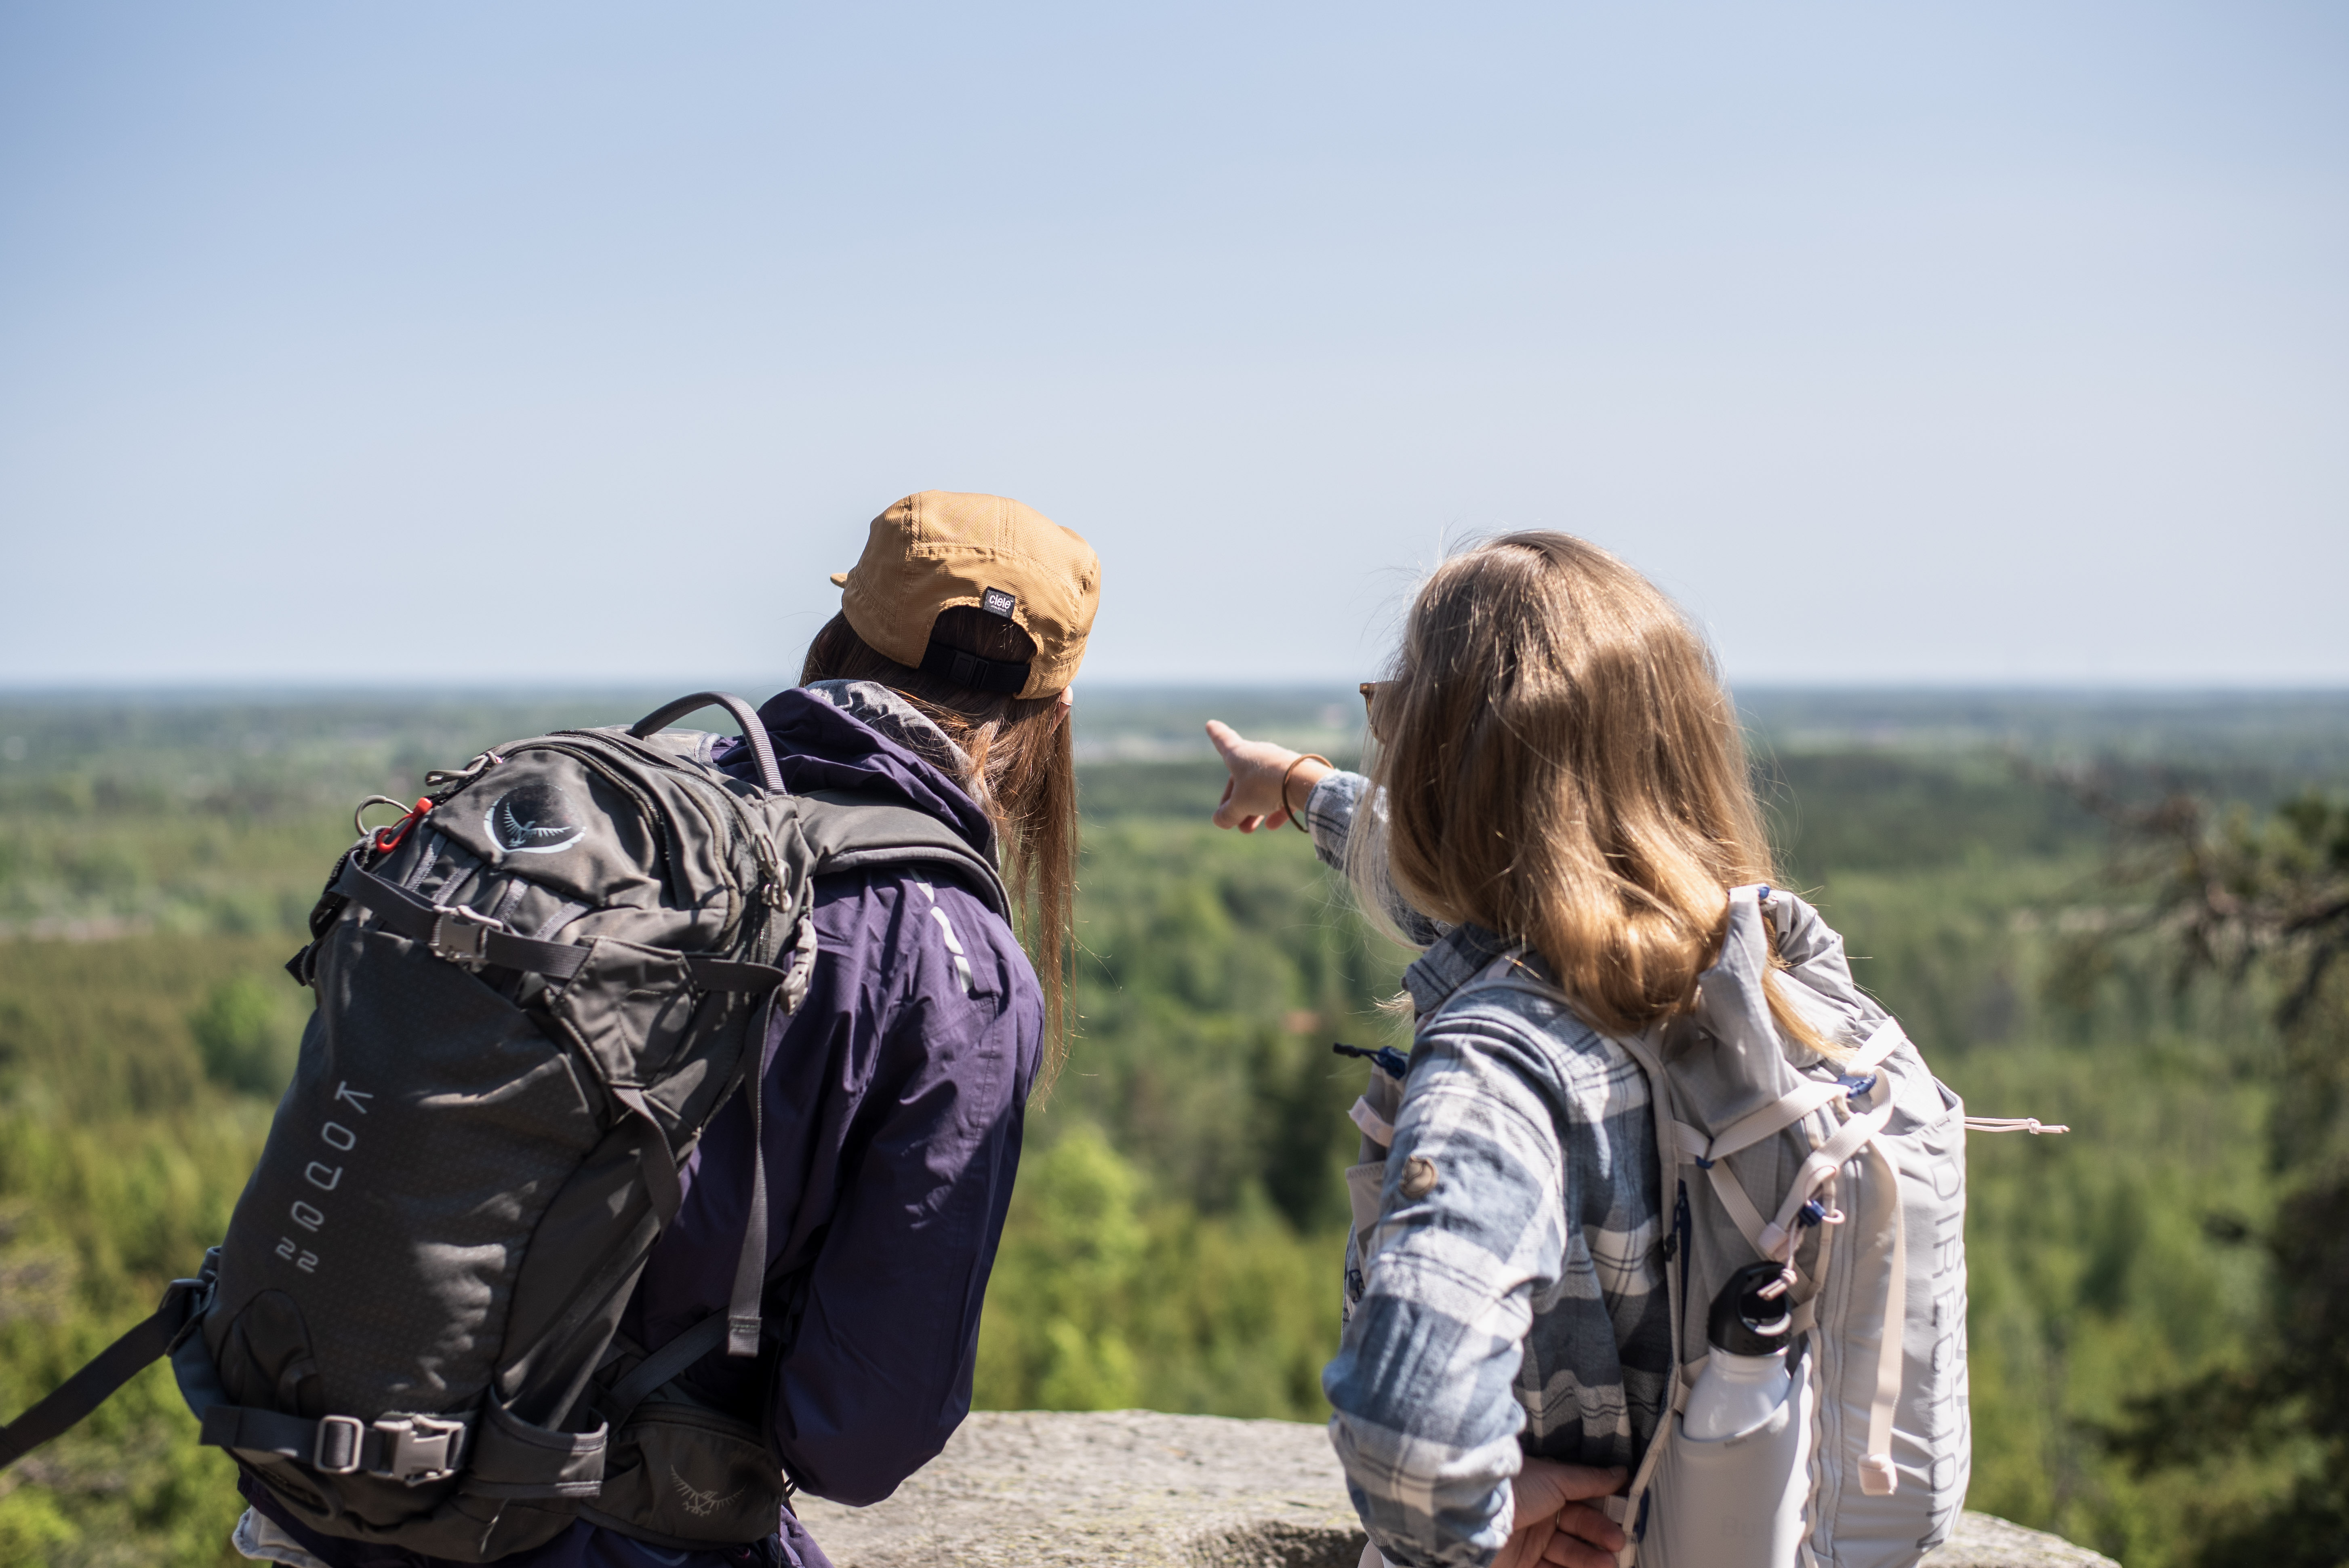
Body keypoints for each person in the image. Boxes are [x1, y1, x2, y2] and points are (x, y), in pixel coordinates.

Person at [232, 490, 1099, 1568]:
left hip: (333, 1480)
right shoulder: (953, 960)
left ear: (831, 644)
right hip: (599, 1535)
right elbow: (860, 1436)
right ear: (1049, 723)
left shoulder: (637, 808)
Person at [1206, 531, 1828, 1568]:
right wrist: (1305, 785)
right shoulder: (1751, 972)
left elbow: (1413, 1434)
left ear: (1455, 782)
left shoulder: (1503, 1066)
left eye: (1394, 712)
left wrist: (1487, 1522)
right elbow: (1479, 890)